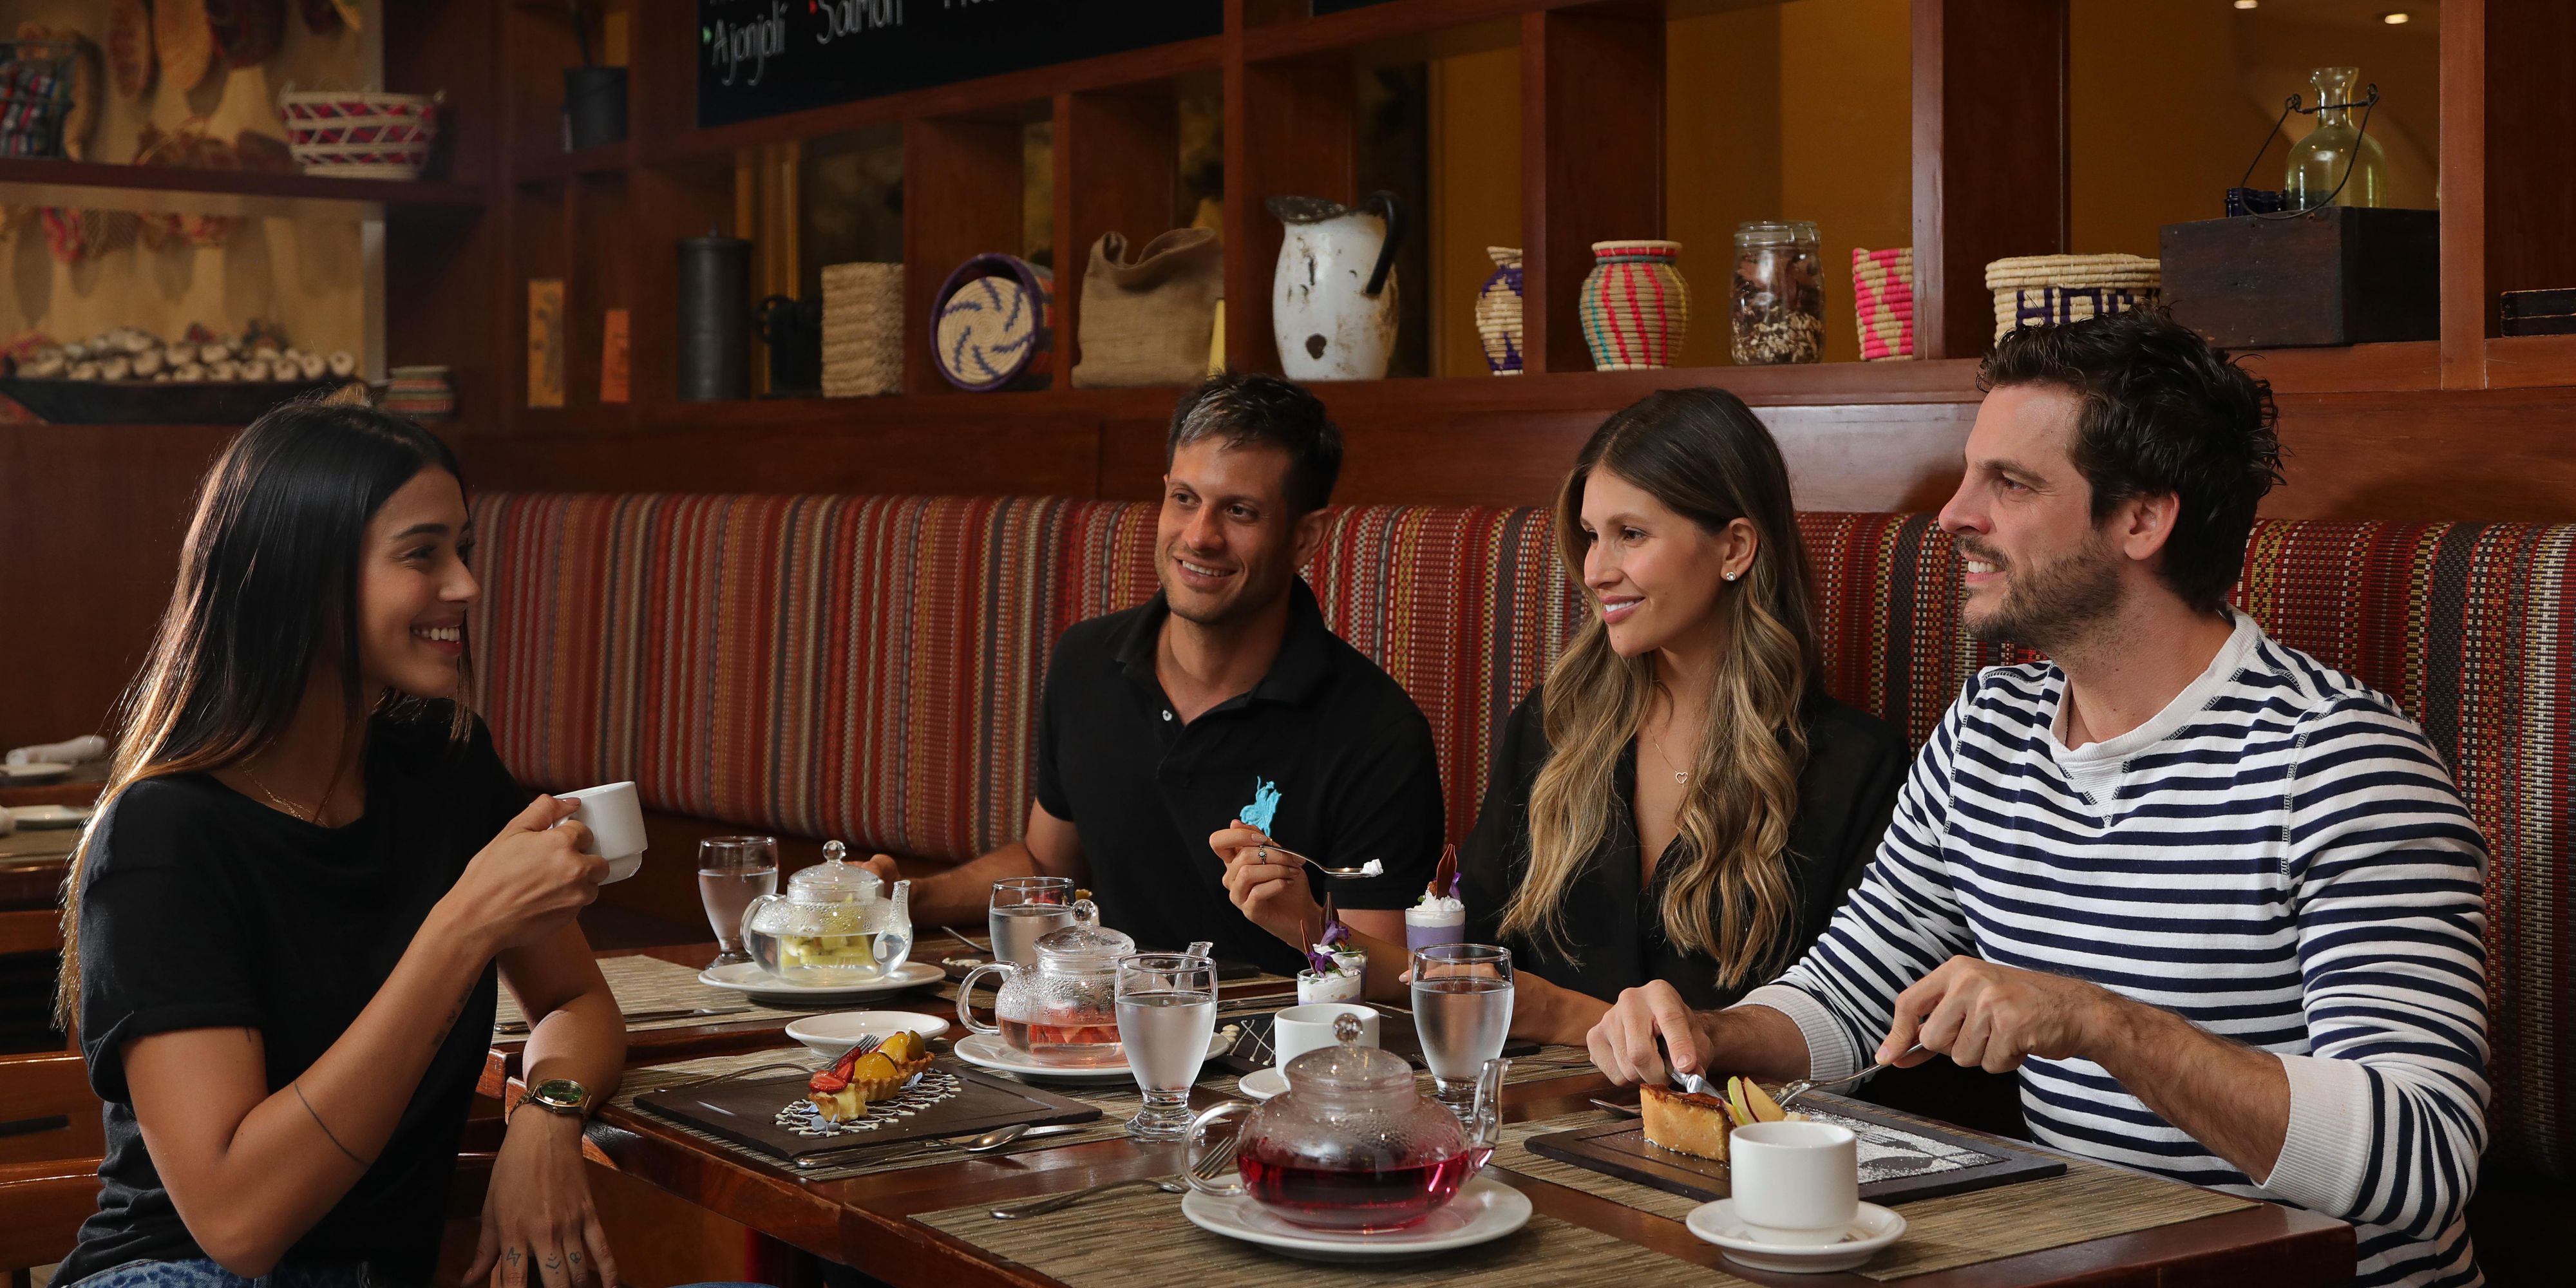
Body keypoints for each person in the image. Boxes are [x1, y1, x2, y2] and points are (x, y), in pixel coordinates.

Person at [1586, 312, 2488, 1287]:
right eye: (1969, 475)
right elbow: (1846, 996)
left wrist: (2099, 1021)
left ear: (2141, 520)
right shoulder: (1989, 727)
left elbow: (2423, 1158)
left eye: (2009, 484)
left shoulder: (2337, 760)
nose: (1953, 514)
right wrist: (1711, 1034)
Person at [55, 402, 629, 1288]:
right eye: (421, 554)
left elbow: (576, 1000)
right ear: (299, 574)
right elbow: (240, 1223)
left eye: (462, 549)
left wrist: (546, 1115)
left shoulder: (445, 765)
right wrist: (461, 930)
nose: (466, 585)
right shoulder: (163, 836)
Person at [1213, 389, 1908, 1045]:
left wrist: (1556, 1012)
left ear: (1734, 547)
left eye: (1630, 534)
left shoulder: (1855, 770)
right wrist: (1311, 924)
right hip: (1537, 1112)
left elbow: (1849, 1031)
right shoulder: (1554, 729)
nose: (1596, 568)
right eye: (1590, 535)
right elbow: (1460, 976)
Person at [862, 374, 1444, 975]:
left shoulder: (1377, 732)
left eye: (1240, 511)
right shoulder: (1084, 661)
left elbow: (1394, 978)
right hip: (1097, 1017)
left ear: (1305, 537)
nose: (1200, 536)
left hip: (1274, 1032)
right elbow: (1048, 867)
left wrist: (1303, 920)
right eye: (1185, 499)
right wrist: (904, 899)